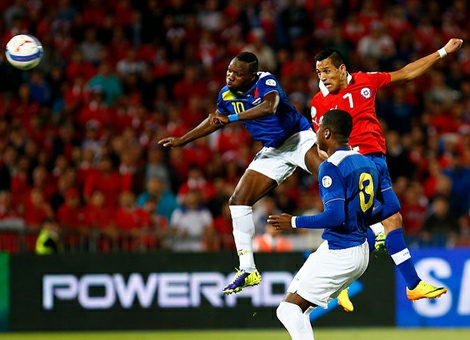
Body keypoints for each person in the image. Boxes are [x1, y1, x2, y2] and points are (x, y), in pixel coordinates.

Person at [310, 38, 462, 308]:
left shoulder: (366, 81)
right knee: (389, 216)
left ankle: (345, 282)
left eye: (327, 71)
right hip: (357, 163)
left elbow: (405, 73)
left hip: (376, 159)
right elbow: (321, 145)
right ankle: (411, 284)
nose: (323, 77)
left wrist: (441, 52)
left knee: (383, 220)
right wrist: (338, 163)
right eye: (319, 72)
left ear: (342, 68)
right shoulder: (320, 104)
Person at [159, 51, 322, 294]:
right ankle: (248, 269)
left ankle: (374, 225)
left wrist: (232, 117)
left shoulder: (265, 80)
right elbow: (215, 120)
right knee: (238, 201)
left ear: (251, 75)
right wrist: (183, 139)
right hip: (273, 151)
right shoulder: (225, 94)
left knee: (330, 176)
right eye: (229, 71)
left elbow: (270, 106)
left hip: (297, 138)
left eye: (237, 74)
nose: (231, 76)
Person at [268, 109, 382, 339]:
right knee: (298, 309)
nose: (317, 131)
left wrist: (293, 221)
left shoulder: (330, 167)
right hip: (354, 248)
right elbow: (375, 208)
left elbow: (335, 216)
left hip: (341, 250)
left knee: (288, 309)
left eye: (319, 127)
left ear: (327, 133)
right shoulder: (366, 162)